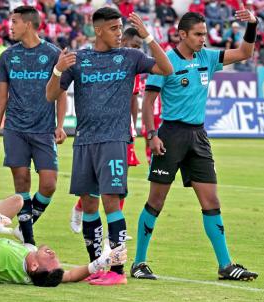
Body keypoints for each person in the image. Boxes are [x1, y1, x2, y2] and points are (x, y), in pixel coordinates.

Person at [46, 7, 172, 286]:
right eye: (114, 28)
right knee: (89, 205)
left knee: (111, 202)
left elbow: (166, 68)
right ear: (99, 30)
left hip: (114, 141)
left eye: (120, 28)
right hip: (84, 142)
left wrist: (148, 37)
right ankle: (97, 266)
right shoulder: (79, 59)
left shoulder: (130, 57)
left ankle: (117, 271)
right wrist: (57, 70)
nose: (119, 33)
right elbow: (51, 95)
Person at [132, 11, 259, 281]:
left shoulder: (208, 57)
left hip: (198, 138)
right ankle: (139, 262)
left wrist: (252, 24)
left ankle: (226, 265)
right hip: (170, 135)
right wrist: (151, 135)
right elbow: (148, 101)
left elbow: (245, 52)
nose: (204, 39)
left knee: (211, 201)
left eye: (204, 34)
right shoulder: (166, 61)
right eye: (199, 34)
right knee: (156, 201)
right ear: (182, 35)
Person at [0, 6, 68, 247]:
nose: (10, 26)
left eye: (14, 22)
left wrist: (60, 125)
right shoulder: (8, 56)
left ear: (29, 24)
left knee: (49, 185)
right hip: (15, 129)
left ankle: (25, 227)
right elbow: (2, 97)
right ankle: (29, 241)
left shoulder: (53, 53)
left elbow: (61, 93)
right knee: (21, 182)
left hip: (43, 130)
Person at [0, 195, 127, 286]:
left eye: (50, 258)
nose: (53, 253)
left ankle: (11, 231)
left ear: (34, 266)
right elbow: (71, 275)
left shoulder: (3, 256)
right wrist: (101, 262)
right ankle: (21, 235)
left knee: (17, 201)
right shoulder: (41, 275)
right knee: (27, 242)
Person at [69, 27, 144, 235]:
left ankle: (115, 225)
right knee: (96, 183)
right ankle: (79, 208)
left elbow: (134, 99)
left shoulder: (131, 63)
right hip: (98, 132)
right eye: (134, 45)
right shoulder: (104, 62)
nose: (136, 49)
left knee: (120, 181)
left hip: (123, 129)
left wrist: (133, 128)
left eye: (139, 47)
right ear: (125, 41)